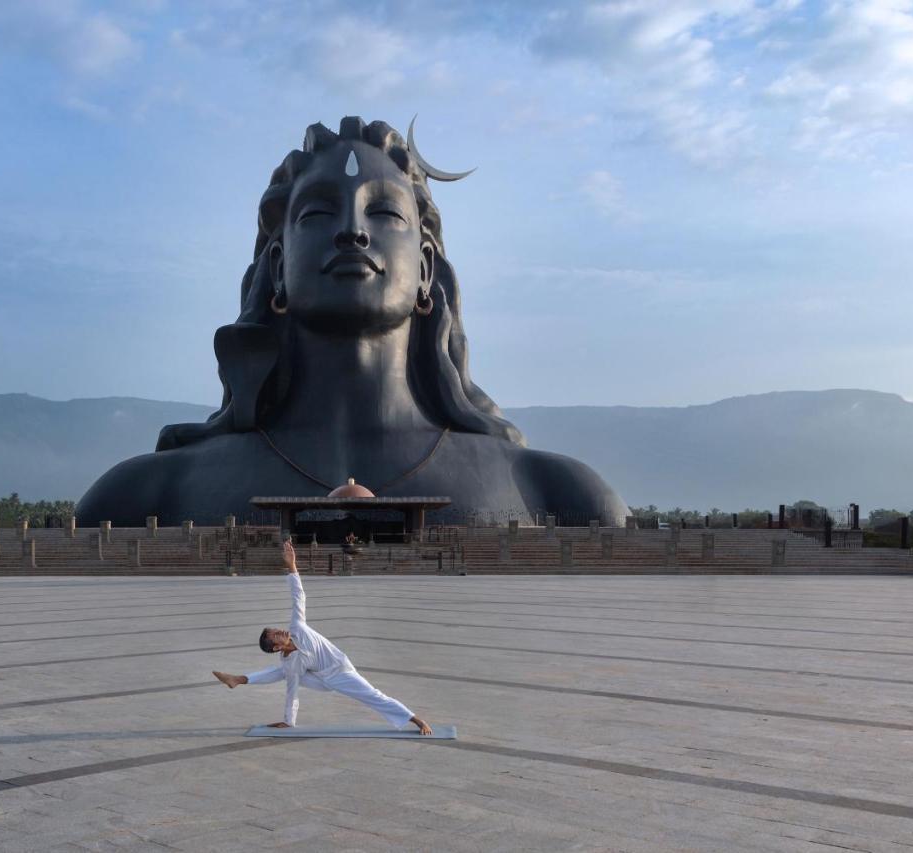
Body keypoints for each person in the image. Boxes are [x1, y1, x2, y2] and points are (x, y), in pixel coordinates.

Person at [75, 116, 628, 528]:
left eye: (383, 211)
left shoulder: (554, 492)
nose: (353, 232)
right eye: (317, 212)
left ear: (426, 267)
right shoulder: (147, 493)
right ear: (277, 267)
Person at [213, 540, 433, 734]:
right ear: (276, 648)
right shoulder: (290, 662)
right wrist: (289, 721)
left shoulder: (297, 627)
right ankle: (239, 680)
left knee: (373, 695)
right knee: (287, 673)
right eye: (276, 635)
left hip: (341, 672)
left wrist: (292, 566)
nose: (281, 631)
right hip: (319, 678)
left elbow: (298, 596)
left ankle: (415, 719)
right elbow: (292, 692)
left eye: (277, 629)